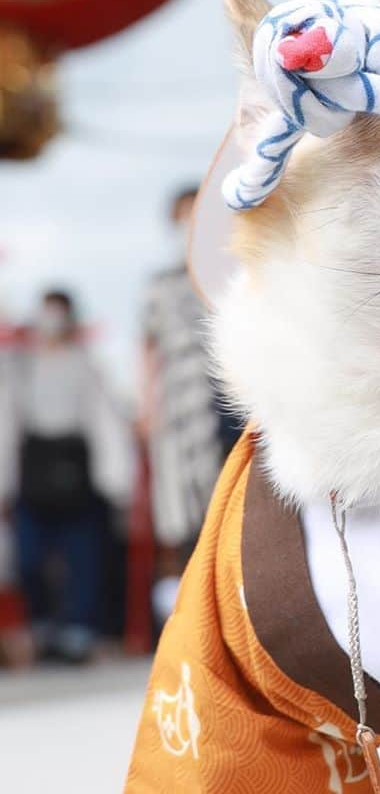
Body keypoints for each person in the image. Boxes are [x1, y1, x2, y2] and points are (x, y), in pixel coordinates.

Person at [1, 289, 131, 662]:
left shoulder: (86, 364)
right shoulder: (20, 366)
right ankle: (42, 626)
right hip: (32, 473)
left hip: (77, 474)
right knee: (28, 559)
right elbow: (7, 423)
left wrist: (116, 479)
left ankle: (77, 633)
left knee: (82, 559)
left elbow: (104, 423)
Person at [140, 187, 240, 627]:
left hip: (234, 398)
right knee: (187, 513)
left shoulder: (237, 268)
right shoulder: (160, 285)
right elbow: (147, 348)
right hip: (182, 411)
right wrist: (149, 407)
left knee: (236, 505)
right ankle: (195, 620)